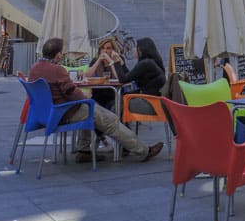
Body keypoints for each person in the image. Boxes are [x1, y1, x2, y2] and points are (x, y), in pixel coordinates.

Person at [29, 37, 163, 164]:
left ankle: (84, 150)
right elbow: (71, 91)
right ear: (58, 55)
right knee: (110, 120)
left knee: (89, 108)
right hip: (64, 112)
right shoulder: (58, 70)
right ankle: (143, 151)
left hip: (45, 113)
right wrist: (83, 97)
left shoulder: (34, 68)